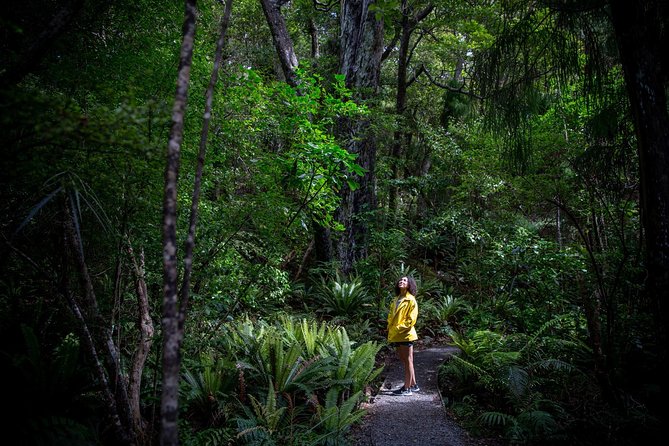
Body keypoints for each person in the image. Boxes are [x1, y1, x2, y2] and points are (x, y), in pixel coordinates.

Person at [387, 275, 420, 395]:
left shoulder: (411, 300)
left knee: (408, 361)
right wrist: (390, 327)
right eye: (400, 280)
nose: (402, 281)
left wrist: (398, 328)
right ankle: (413, 384)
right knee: (406, 360)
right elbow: (391, 315)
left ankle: (407, 388)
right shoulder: (396, 299)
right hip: (396, 334)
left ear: (409, 284)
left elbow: (411, 320)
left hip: (405, 334)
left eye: (405, 280)